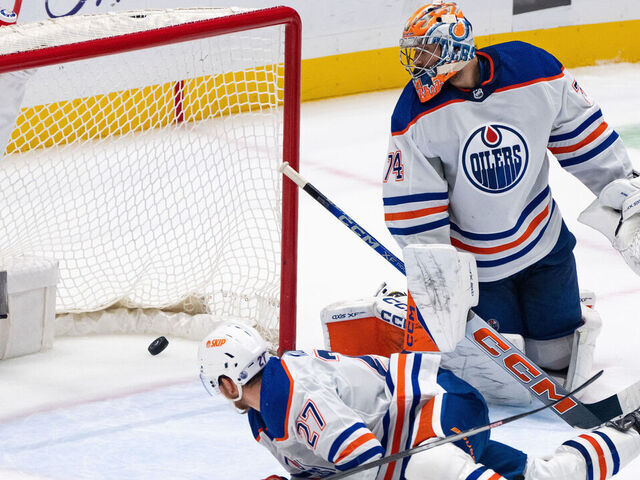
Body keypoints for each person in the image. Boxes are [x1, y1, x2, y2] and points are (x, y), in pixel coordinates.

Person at [382, 1, 639, 391]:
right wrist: (436, 271)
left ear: (455, 45)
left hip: (542, 245)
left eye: (426, 51)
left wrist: (626, 194)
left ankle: (573, 309)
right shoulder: (416, 112)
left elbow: (586, 141)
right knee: (505, 378)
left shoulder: (533, 71)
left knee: (556, 361)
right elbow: (413, 204)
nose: (418, 62)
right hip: (479, 268)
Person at [198, 321, 640, 480]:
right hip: (423, 417)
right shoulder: (266, 411)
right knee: (542, 477)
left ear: (227, 384)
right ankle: (631, 432)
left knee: (409, 471)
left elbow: (361, 454)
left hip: (429, 415)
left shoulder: (287, 398)